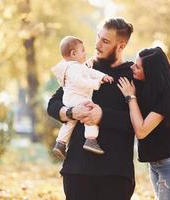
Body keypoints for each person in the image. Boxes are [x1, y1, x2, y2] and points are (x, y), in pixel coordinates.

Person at [47, 18, 135, 200]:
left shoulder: (131, 75)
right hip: (77, 170)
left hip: (115, 175)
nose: (97, 45)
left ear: (121, 46)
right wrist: (71, 112)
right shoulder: (80, 69)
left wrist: (103, 116)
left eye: (105, 41)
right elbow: (53, 105)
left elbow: (139, 123)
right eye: (98, 37)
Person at [117, 46, 170, 200]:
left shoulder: (167, 97)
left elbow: (141, 131)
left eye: (137, 66)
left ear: (150, 72)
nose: (132, 67)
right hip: (155, 161)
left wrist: (130, 97)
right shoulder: (144, 84)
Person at [51, 36, 114, 159]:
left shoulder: (77, 66)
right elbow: (80, 81)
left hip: (71, 99)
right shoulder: (73, 68)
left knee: (70, 122)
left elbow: (91, 72)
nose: (85, 53)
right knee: (89, 111)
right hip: (76, 98)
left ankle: (61, 143)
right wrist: (96, 83)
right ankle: (91, 139)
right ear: (73, 53)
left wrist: (102, 76)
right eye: (83, 50)